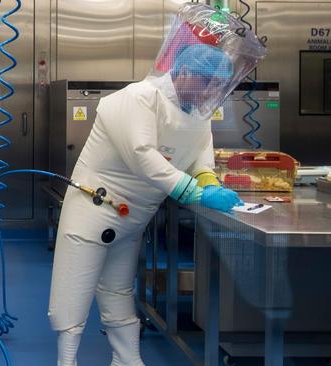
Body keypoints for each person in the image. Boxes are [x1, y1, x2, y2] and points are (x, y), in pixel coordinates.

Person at [48, 4, 267, 366]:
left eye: (217, 84)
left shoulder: (196, 110)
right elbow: (142, 156)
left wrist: (208, 179)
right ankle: (66, 361)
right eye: (205, 81)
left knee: (118, 291)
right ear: (183, 73)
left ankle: (127, 360)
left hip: (134, 217)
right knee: (73, 292)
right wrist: (194, 192)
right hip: (93, 211)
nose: (211, 90)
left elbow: (200, 156)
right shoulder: (136, 99)